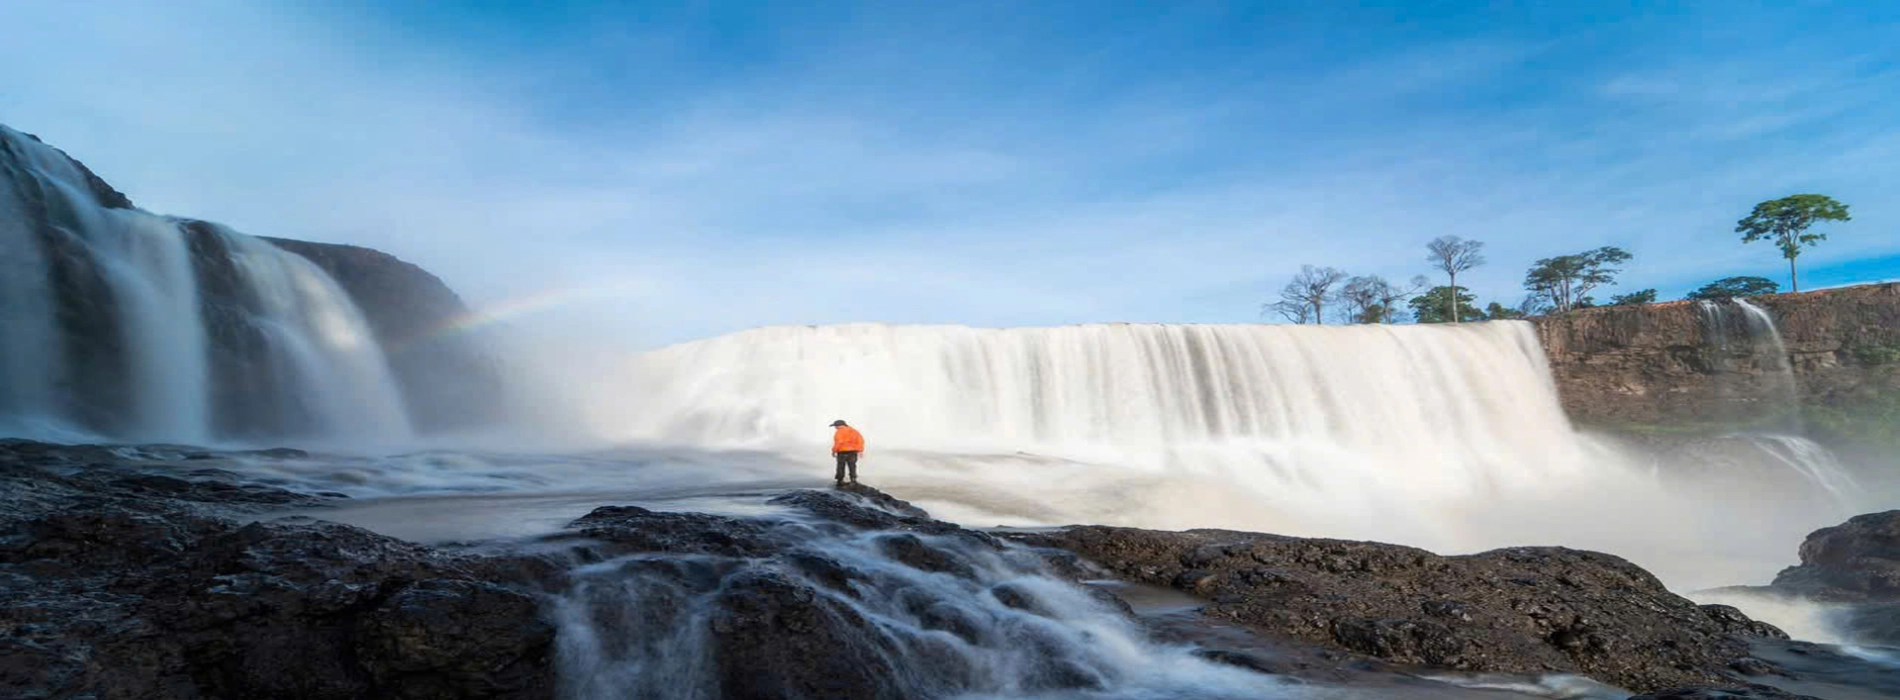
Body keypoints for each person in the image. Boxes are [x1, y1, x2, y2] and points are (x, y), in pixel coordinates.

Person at [830, 419, 864, 486]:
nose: (835, 427)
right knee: (852, 466)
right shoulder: (854, 431)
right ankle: (853, 480)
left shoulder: (839, 432)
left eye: (835, 426)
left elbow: (839, 442)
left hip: (842, 452)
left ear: (839, 425)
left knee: (840, 466)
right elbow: (860, 441)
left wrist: (834, 451)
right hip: (853, 452)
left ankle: (840, 481)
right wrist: (860, 450)